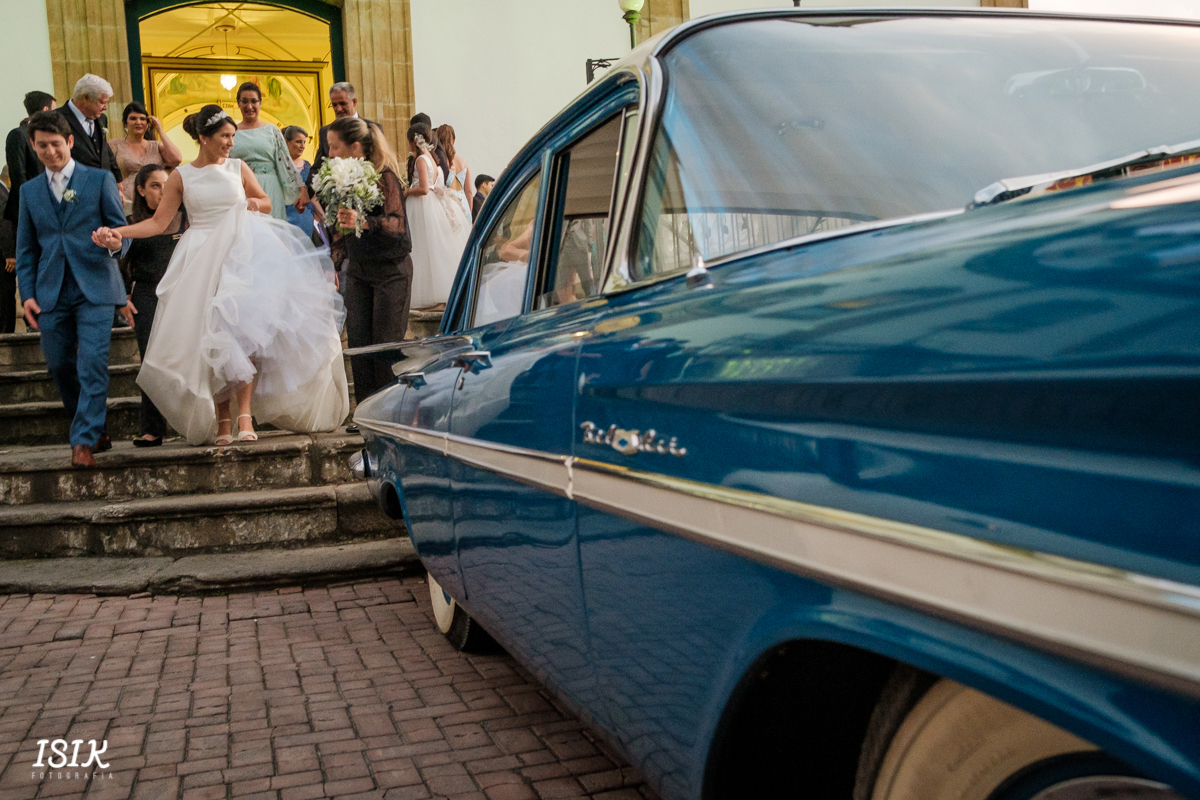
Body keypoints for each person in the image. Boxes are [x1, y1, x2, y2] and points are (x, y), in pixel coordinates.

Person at [92, 104, 349, 446]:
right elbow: (158, 222)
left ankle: (244, 415)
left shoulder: (238, 167)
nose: (231, 142)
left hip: (242, 250)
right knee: (211, 336)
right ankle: (222, 419)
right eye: (225, 137)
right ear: (203, 138)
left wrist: (253, 205)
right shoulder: (182, 176)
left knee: (245, 331)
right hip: (201, 254)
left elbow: (264, 201)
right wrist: (120, 233)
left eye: (232, 136)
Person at [16, 111, 129, 468]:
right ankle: (96, 429)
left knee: (92, 361)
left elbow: (121, 233)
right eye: (42, 146)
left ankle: (82, 440)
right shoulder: (29, 191)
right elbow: (27, 247)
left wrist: (113, 241)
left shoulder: (97, 180)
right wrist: (28, 293)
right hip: (50, 290)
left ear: (69, 142)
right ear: (34, 148)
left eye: (55, 144)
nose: (50, 151)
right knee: (59, 363)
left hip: (94, 285)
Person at [326, 117, 411, 402]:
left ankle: (388, 411)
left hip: (391, 272)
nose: (331, 154)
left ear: (355, 147)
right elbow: (339, 229)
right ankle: (364, 412)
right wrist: (335, 264)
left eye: (335, 147)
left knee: (384, 348)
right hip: (359, 271)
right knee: (360, 346)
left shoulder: (384, 176)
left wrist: (363, 221)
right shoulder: (342, 180)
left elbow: (398, 225)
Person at [120, 165, 186, 446]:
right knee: (151, 361)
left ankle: (192, 421)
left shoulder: (188, 219)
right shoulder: (132, 222)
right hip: (147, 296)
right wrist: (122, 298)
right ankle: (152, 428)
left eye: (166, 184)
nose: (163, 190)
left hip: (185, 296)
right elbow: (118, 264)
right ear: (141, 190)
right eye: (156, 185)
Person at [404, 122, 469, 309]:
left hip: (422, 205)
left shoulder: (420, 160)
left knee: (422, 248)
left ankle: (427, 296)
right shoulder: (433, 159)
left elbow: (424, 188)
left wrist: (407, 192)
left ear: (413, 141)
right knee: (433, 248)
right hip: (434, 204)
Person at [4, 90, 57, 316]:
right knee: (32, 264)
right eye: (54, 110)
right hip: (27, 211)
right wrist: (37, 206)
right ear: (46, 110)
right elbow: (19, 177)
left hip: (53, 210)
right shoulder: (18, 135)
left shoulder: (53, 138)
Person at [228, 82, 301, 222]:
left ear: (260, 103)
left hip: (270, 188)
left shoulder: (272, 131)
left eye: (254, 101)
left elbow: (286, 161)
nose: (249, 106)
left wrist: (301, 189)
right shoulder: (232, 132)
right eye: (244, 101)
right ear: (238, 103)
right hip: (242, 190)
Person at [302, 82, 372, 204]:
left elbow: (378, 163)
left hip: (367, 198)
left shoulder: (371, 128)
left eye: (342, 103)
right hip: (337, 201)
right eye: (334, 105)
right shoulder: (325, 131)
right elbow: (318, 166)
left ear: (354, 102)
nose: (338, 108)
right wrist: (305, 193)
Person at [109, 101, 182, 215]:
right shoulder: (114, 145)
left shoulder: (156, 146)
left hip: (155, 203)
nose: (138, 122)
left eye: (143, 119)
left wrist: (160, 130)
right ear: (125, 124)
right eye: (133, 118)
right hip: (127, 203)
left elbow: (177, 158)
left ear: (147, 123)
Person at [56, 74, 124, 188]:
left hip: (104, 186)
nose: (105, 107)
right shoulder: (56, 119)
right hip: (74, 188)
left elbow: (104, 148)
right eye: (102, 102)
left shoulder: (101, 118)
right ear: (85, 97)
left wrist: (117, 179)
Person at [282, 125, 321, 237]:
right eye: (298, 142)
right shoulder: (277, 166)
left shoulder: (308, 166)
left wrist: (323, 217)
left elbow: (313, 195)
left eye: (304, 142)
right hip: (284, 215)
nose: (302, 146)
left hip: (305, 218)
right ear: (286, 142)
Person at [436, 124, 474, 219]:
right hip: (464, 203)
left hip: (450, 205)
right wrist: (469, 211)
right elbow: (469, 191)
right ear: (454, 140)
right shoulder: (463, 162)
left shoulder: (439, 161)